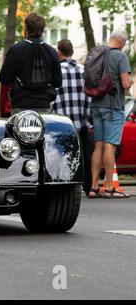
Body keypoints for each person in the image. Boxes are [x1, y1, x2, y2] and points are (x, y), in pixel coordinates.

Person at [88, 30, 133, 199]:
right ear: (121, 42)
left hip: (97, 104)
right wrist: (130, 81)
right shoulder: (120, 57)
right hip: (113, 106)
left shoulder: (98, 53)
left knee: (98, 145)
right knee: (110, 146)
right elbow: (125, 84)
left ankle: (93, 187)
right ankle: (108, 187)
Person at [51, 39, 93, 195]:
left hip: (62, 124)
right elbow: (89, 98)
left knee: (63, 155)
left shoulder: (55, 72)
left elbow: (52, 99)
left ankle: (65, 187)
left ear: (59, 52)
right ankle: (88, 186)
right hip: (81, 122)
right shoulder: (83, 70)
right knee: (84, 156)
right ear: (72, 52)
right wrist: (88, 119)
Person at [0, 12, 62, 114]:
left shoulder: (16, 50)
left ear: (26, 28)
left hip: (20, 104)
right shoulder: (51, 52)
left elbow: (4, 79)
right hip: (44, 105)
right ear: (42, 30)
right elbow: (58, 82)